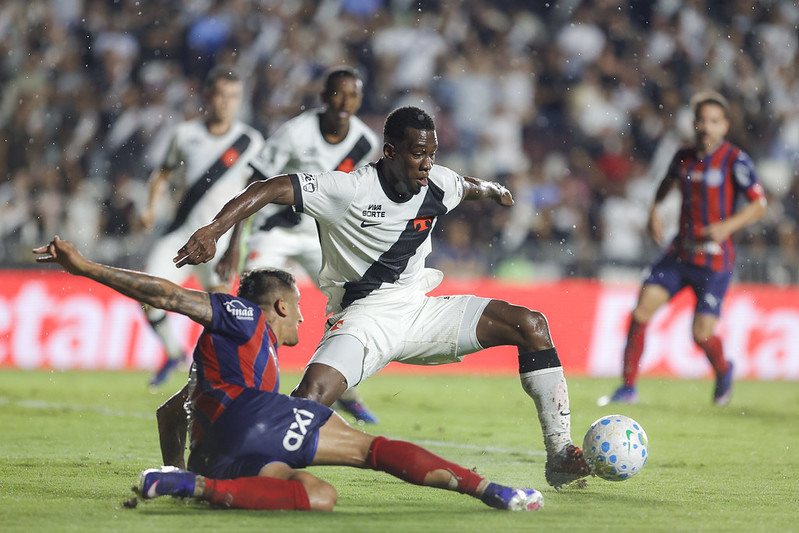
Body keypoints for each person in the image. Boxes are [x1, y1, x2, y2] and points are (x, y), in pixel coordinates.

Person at [173, 105, 591, 489]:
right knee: (309, 398)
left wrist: (495, 189)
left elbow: (468, 186)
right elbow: (270, 187)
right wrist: (214, 230)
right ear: (390, 151)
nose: (427, 163)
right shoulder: (348, 190)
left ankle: (559, 454)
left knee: (531, 325)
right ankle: (244, 470)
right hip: (363, 318)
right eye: (417, 154)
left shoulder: (438, 182)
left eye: (432, 154)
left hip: (418, 308)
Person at [33, 236, 544, 512]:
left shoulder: (227, 359)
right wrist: (88, 268)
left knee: (320, 496)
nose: (303, 316)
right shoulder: (243, 316)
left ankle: (195, 487)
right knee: (370, 450)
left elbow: (170, 414)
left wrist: (180, 467)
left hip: (218, 456)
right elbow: (168, 295)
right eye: (298, 306)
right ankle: (487, 490)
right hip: (249, 417)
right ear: (280, 305)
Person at [234, 65, 382, 423]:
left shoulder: (365, 142)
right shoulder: (296, 132)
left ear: (360, 99)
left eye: (352, 95)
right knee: (256, 302)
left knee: (354, 305)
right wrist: (232, 243)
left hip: (322, 237)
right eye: (338, 93)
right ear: (324, 96)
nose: (344, 102)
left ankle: (341, 386)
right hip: (275, 230)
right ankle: (247, 385)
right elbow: (254, 182)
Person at [600, 91, 767, 407]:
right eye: (702, 120)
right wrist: (654, 210)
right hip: (679, 254)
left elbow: (759, 205)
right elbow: (666, 183)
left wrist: (727, 226)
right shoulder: (683, 157)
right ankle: (628, 387)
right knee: (640, 312)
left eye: (713, 121)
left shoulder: (734, 159)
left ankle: (724, 369)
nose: (706, 127)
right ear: (694, 124)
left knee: (701, 334)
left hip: (714, 261)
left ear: (724, 126)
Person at [138, 65, 264, 388]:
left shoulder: (250, 141)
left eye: (233, 96)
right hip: (181, 233)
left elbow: (252, 198)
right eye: (221, 95)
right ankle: (173, 352)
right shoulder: (185, 134)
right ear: (208, 96)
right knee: (147, 294)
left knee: (223, 312)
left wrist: (235, 246)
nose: (226, 102)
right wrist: (150, 209)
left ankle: (216, 376)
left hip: (221, 241)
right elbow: (162, 174)